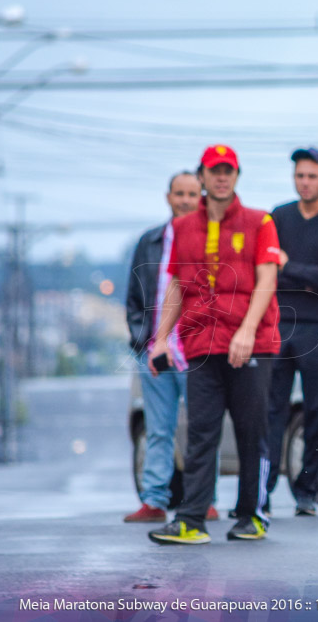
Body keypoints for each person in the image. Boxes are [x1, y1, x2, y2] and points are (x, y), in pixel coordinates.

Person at [147, 144, 281, 545]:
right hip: (201, 342)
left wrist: (247, 330)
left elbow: (266, 279)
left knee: (250, 430)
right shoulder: (184, 227)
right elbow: (175, 285)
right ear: (201, 177)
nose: (222, 177)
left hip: (251, 345)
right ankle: (191, 519)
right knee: (201, 431)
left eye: (229, 170)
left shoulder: (260, 222)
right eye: (214, 171)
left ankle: (251, 515)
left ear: (237, 176)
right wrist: (159, 340)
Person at [124, 171, 219, 524]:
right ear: (168, 197)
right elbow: (134, 299)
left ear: (202, 198)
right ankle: (154, 501)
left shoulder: (211, 239)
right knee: (158, 428)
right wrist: (143, 343)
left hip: (196, 350)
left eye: (192, 194)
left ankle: (205, 499)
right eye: (179, 193)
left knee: (202, 427)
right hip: (155, 352)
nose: (184, 200)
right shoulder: (149, 241)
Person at [265, 146, 318, 517]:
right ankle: (261, 490)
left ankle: (307, 492)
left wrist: (289, 267)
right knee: (272, 411)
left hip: (317, 329)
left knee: (315, 410)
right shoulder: (278, 217)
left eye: (312, 176)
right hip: (277, 324)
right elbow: (268, 269)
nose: (305, 182)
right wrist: (303, 275)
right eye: (300, 175)